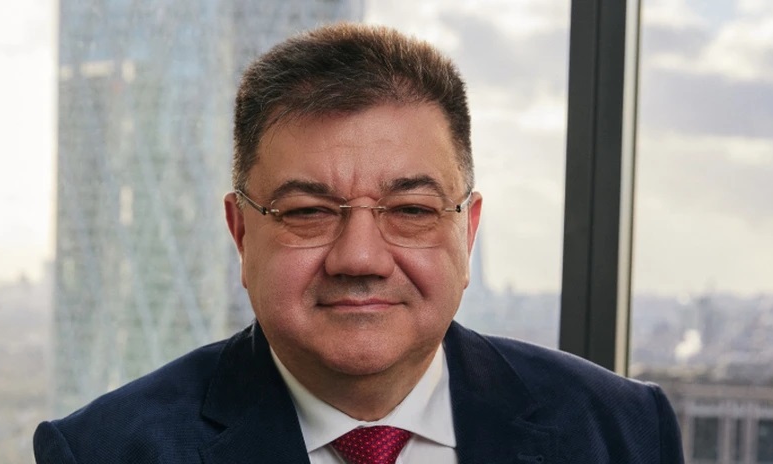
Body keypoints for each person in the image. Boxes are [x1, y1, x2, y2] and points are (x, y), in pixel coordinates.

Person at [34, 22, 684, 463]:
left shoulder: (621, 432)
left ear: (467, 229)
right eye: (308, 212)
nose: (360, 258)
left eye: (411, 210)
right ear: (241, 232)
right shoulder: (103, 452)